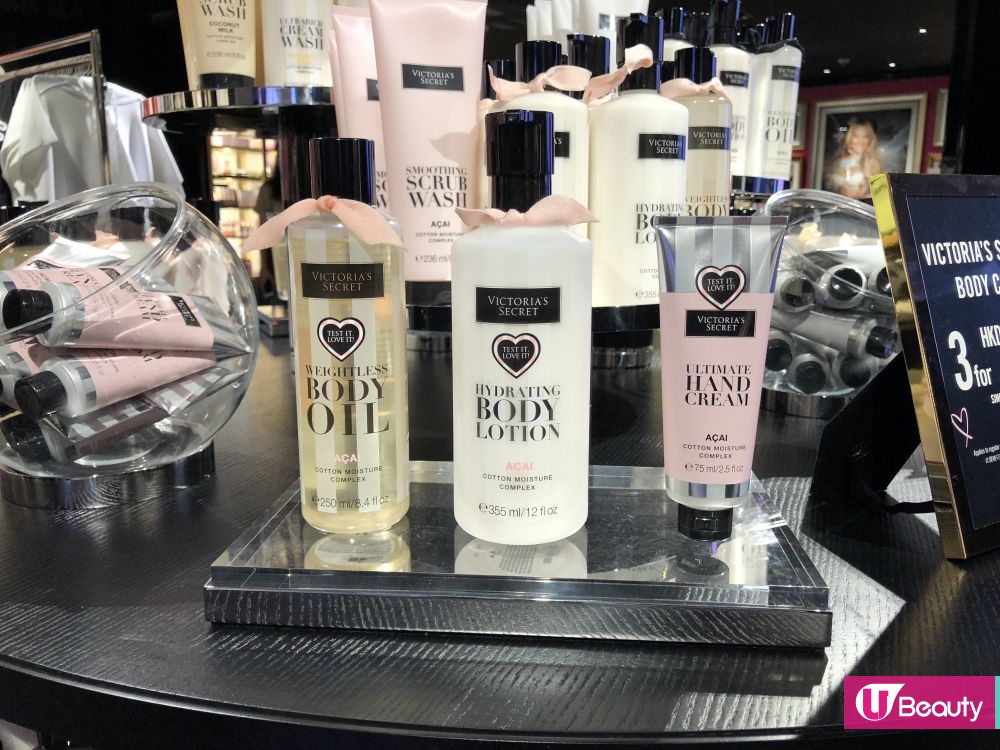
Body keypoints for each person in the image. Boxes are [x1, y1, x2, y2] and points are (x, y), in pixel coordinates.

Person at [824, 121, 882, 200]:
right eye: (856, 136)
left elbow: (878, 192)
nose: (860, 141)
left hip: (860, 204)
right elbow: (831, 186)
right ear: (850, 138)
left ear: (870, 140)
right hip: (840, 203)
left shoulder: (872, 162)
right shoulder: (840, 160)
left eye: (865, 137)